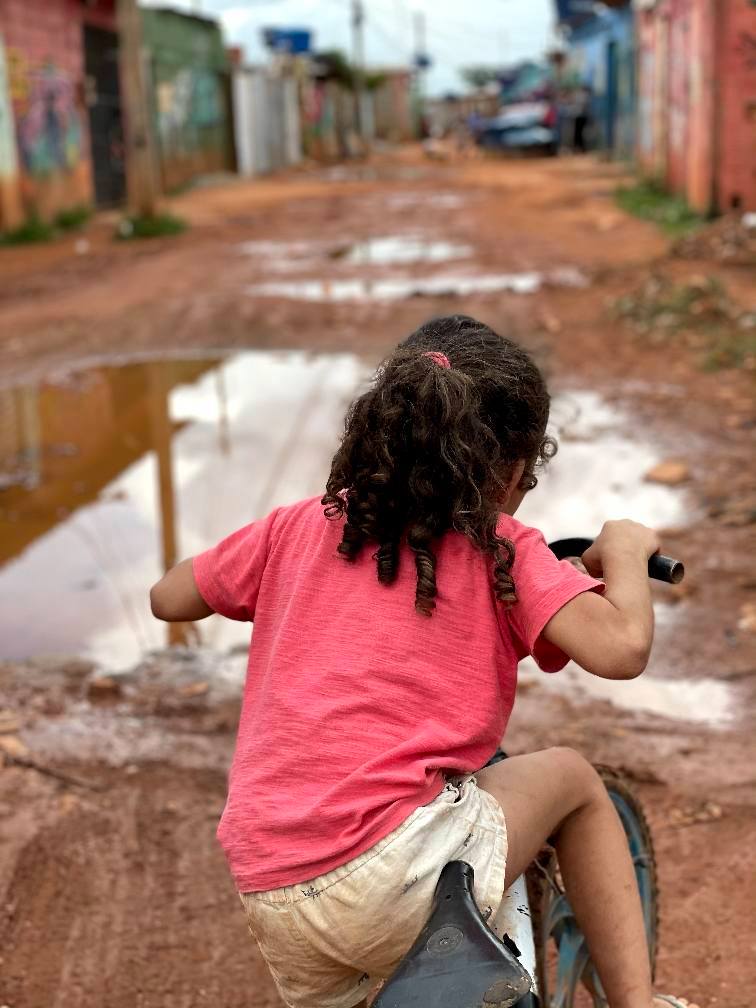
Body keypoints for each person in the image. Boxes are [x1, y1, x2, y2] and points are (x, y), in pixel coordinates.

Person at [151, 315, 697, 1008]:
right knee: (574, 779)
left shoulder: (298, 525)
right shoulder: (500, 546)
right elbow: (620, 649)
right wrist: (620, 552)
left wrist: (267, 572)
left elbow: (168, 598)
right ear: (508, 471)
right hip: (395, 870)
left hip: (270, 880)